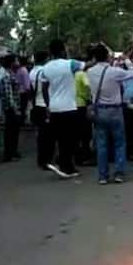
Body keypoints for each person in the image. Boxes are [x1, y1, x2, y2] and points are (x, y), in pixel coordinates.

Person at [87, 44, 133, 184]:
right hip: (115, 111)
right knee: (119, 142)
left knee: (101, 144)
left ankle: (103, 176)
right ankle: (119, 174)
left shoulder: (90, 72)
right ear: (107, 57)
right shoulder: (115, 72)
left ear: (95, 57)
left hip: (99, 111)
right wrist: (127, 61)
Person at [41, 39, 85, 179]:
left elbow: (44, 88)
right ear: (62, 50)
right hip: (69, 107)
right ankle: (66, 167)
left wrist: (48, 104)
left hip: (54, 108)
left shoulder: (45, 68)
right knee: (70, 139)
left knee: (61, 138)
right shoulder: (70, 64)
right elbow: (87, 65)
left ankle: (63, 164)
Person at [29, 51, 54, 170]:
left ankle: (41, 159)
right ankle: (47, 160)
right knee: (48, 135)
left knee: (41, 135)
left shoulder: (31, 72)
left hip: (37, 105)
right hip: (45, 105)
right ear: (45, 59)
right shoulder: (44, 71)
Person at [0, 54, 22, 162]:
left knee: (14, 131)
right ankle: (9, 154)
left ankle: (13, 151)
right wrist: (14, 109)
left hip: (14, 107)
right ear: (11, 63)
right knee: (10, 132)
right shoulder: (7, 75)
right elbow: (8, 95)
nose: (18, 63)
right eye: (16, 60)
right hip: (11, 109)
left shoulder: (11, 74)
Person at [74, 54, 93, 166]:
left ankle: (77, 156)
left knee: (77, 133)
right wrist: (89, 97)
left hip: (73, 105)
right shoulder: (82, 74)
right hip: (82, 104)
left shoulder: (73, 74)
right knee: (86, 132)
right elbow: (87, 85)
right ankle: (85, 156)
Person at [14, 56, 31, 125]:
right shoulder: (24, 70)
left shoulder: (19, 70)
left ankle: (20, 120)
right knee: (23, 107)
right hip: (24, 92)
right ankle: (22, 121)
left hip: (18, 92)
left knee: (21, 107)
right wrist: (29, 94)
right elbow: (27, 85)